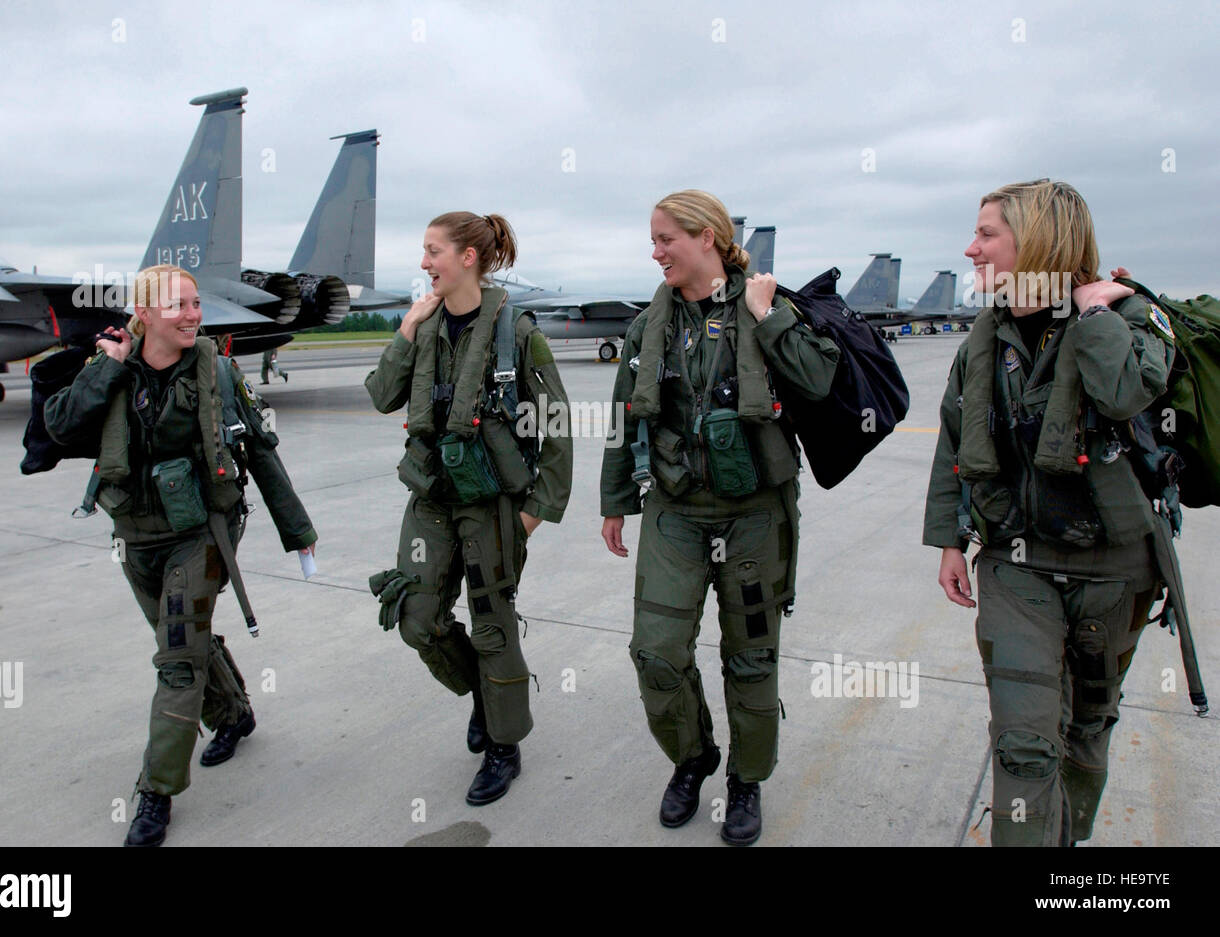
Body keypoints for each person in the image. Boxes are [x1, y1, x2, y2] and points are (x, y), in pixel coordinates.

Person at [923, 179, 1179, 846]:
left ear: (1036, 239)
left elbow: (1123, 391)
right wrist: (951, 539)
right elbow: (955, 440)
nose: (970, 248)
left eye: (987, 234)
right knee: (1023, 743)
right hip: (1018, 563)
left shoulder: (1131, 321)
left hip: (1114, 569)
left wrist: (1094, 318)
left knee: (1085, 733)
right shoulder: (984, 340)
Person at [45, 264, 317, 846]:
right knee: (180, 639)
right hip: (135, 535)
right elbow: (61, 426)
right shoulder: (113, 367)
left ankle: (155, 792)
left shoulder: (218, 372)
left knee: (176, 659)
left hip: (203, 532)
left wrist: (297, 530)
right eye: (179, 306)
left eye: (196, 304)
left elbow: (261, 451)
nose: (194, 315)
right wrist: (105, 370)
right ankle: (234, 712)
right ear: (143, 314)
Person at [599, 190, 840, 845]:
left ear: (706, 236)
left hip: (755, 513)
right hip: (674, 511)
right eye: (652, 240)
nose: (654, 252)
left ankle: (746, 779)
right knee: (656, 651)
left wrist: (769, 320)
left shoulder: (769, 306)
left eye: (664, 238)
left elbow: (819, 381)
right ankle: (694, 754)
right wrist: (615, 498)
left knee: (753, 659)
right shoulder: (649, 324)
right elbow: (624, 414)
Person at [365, 212, 572, 805]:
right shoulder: (425, 327)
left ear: (468, 258)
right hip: (431, 500)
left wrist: (538, 509)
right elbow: (382, 397)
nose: (425, 263)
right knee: (418, 619)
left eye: (433, 251)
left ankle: (504, 746)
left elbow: (555, 425)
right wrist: (406, 329)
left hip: (493, 504)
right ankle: (486, 695)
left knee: (491, 623)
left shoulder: (517, 332)